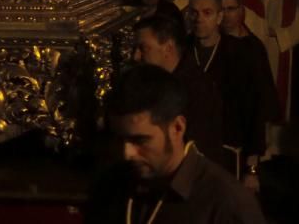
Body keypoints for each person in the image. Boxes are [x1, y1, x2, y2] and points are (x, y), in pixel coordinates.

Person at [86, 64, 267, 224]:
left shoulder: (225, 203)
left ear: (177, 128)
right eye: (119, 139)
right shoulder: (110, 187)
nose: (127, 153)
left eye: (140, 140)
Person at [188, 0, 267, 188]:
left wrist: (252, 168)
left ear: (219, 16)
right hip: (190, 152)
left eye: (207, 13)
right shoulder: (183, 51)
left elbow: (254, 110)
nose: (199, 19)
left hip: (227, 151)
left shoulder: (240, 53)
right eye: (194, 12)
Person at [132, 14, 223, 165]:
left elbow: (196, 147)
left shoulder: (196, 88)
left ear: (168, 48)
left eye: (143, 48)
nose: (136, 56)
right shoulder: (157, 82)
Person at [239, 0, 299, 125]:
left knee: (276, 87)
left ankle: (274, 131)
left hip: (276, 50)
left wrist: (277, 33)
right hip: (255, 51)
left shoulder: (287, 2)